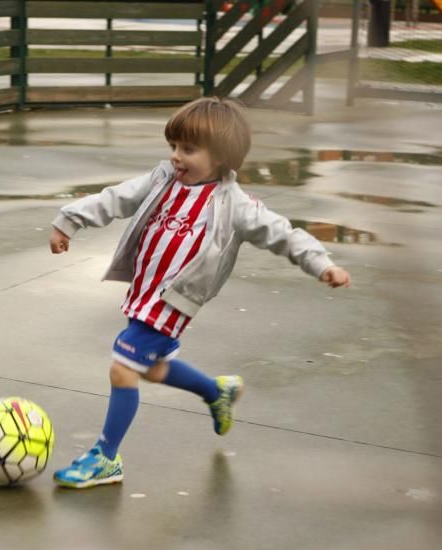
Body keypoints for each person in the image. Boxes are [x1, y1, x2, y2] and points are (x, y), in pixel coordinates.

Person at [48, 97, 350, 489]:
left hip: (174, 301)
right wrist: (69, 220)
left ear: (222, 156)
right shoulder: (162, 180)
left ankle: (105, 457)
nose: (176, 156)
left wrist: (321, 263)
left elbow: (283, 234)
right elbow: (117, 197)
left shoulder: (235, 205)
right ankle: (215, 392)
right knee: (151, 368)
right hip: (144, 292)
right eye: (174, 146)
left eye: (188, 149)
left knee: (123, 366)